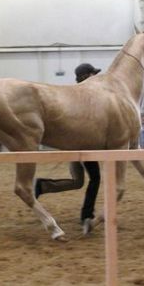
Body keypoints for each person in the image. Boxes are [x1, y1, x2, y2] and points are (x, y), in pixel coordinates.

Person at [34, 63, 101, 228]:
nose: (96, 77)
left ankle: (41, 186)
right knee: (95, 178)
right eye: (93, 74)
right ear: (85, 77)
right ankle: (87, 215)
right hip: (83, 144)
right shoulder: (84, 95)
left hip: (76, 144)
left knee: (78, 182)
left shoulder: (78, 93)